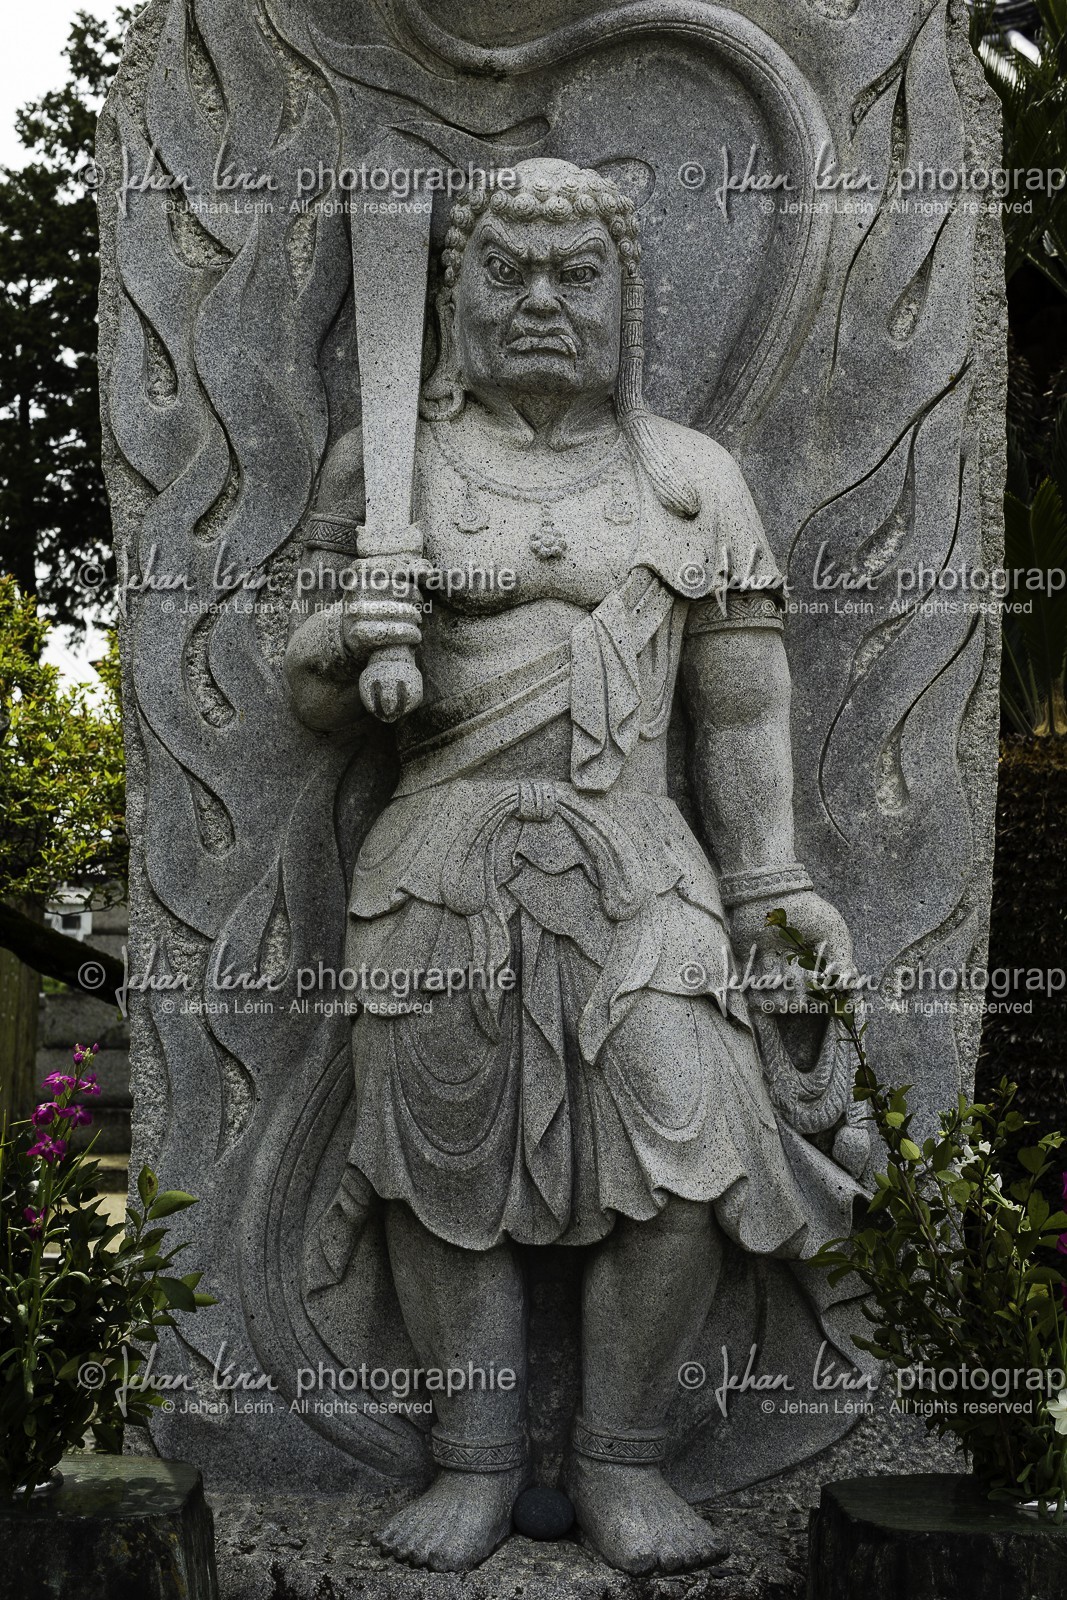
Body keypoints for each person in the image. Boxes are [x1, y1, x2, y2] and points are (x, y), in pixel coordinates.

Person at [284, 158, 859, 1575]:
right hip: (438, 857)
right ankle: (473, 1460)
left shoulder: (686, 482)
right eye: (508, 271)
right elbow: (300, 693)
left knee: (686, 1139)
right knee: (440, 1165)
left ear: (625, 301)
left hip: (641, 858)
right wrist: (355, 640)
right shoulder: (391, 466)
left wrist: (771, 884)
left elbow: (738, 703)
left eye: (576, 274)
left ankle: (622, 1455)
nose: (542, 299)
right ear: (455, 294)